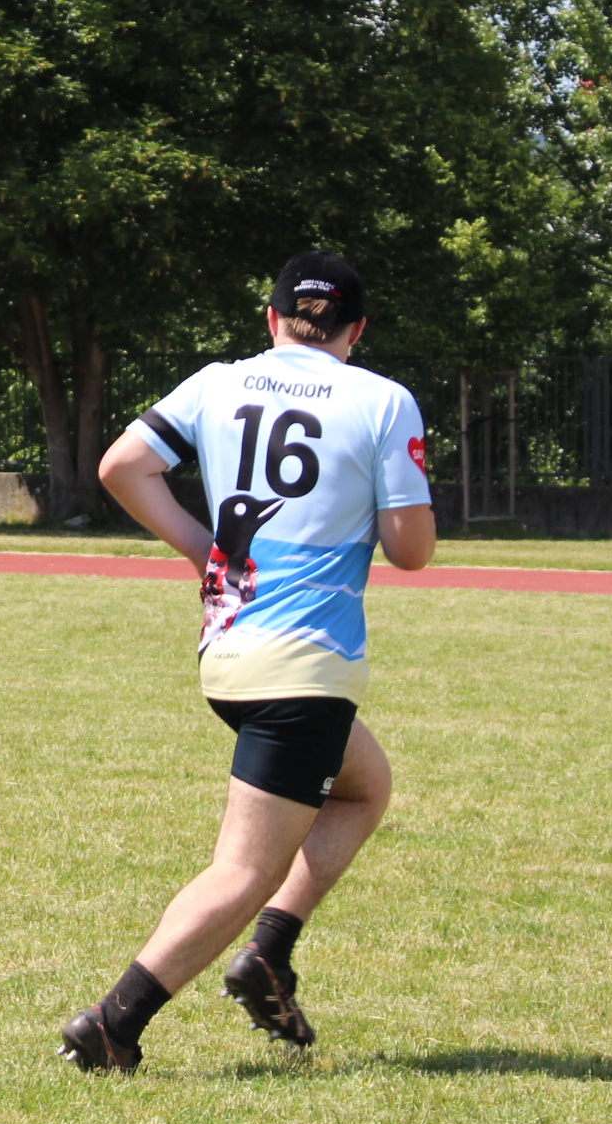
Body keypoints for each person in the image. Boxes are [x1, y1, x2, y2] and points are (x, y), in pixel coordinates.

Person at [58, 252, 434, 1072]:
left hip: (231, 650)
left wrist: (205, 547)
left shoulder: (218, 381)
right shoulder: (381, 399)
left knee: (364, 787)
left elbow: (121, 466)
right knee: (242, 870)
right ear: (357, 330)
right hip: (306, 663)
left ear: (271, 320)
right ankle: (113, 1025)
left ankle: (270, 951)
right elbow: (411, 550)